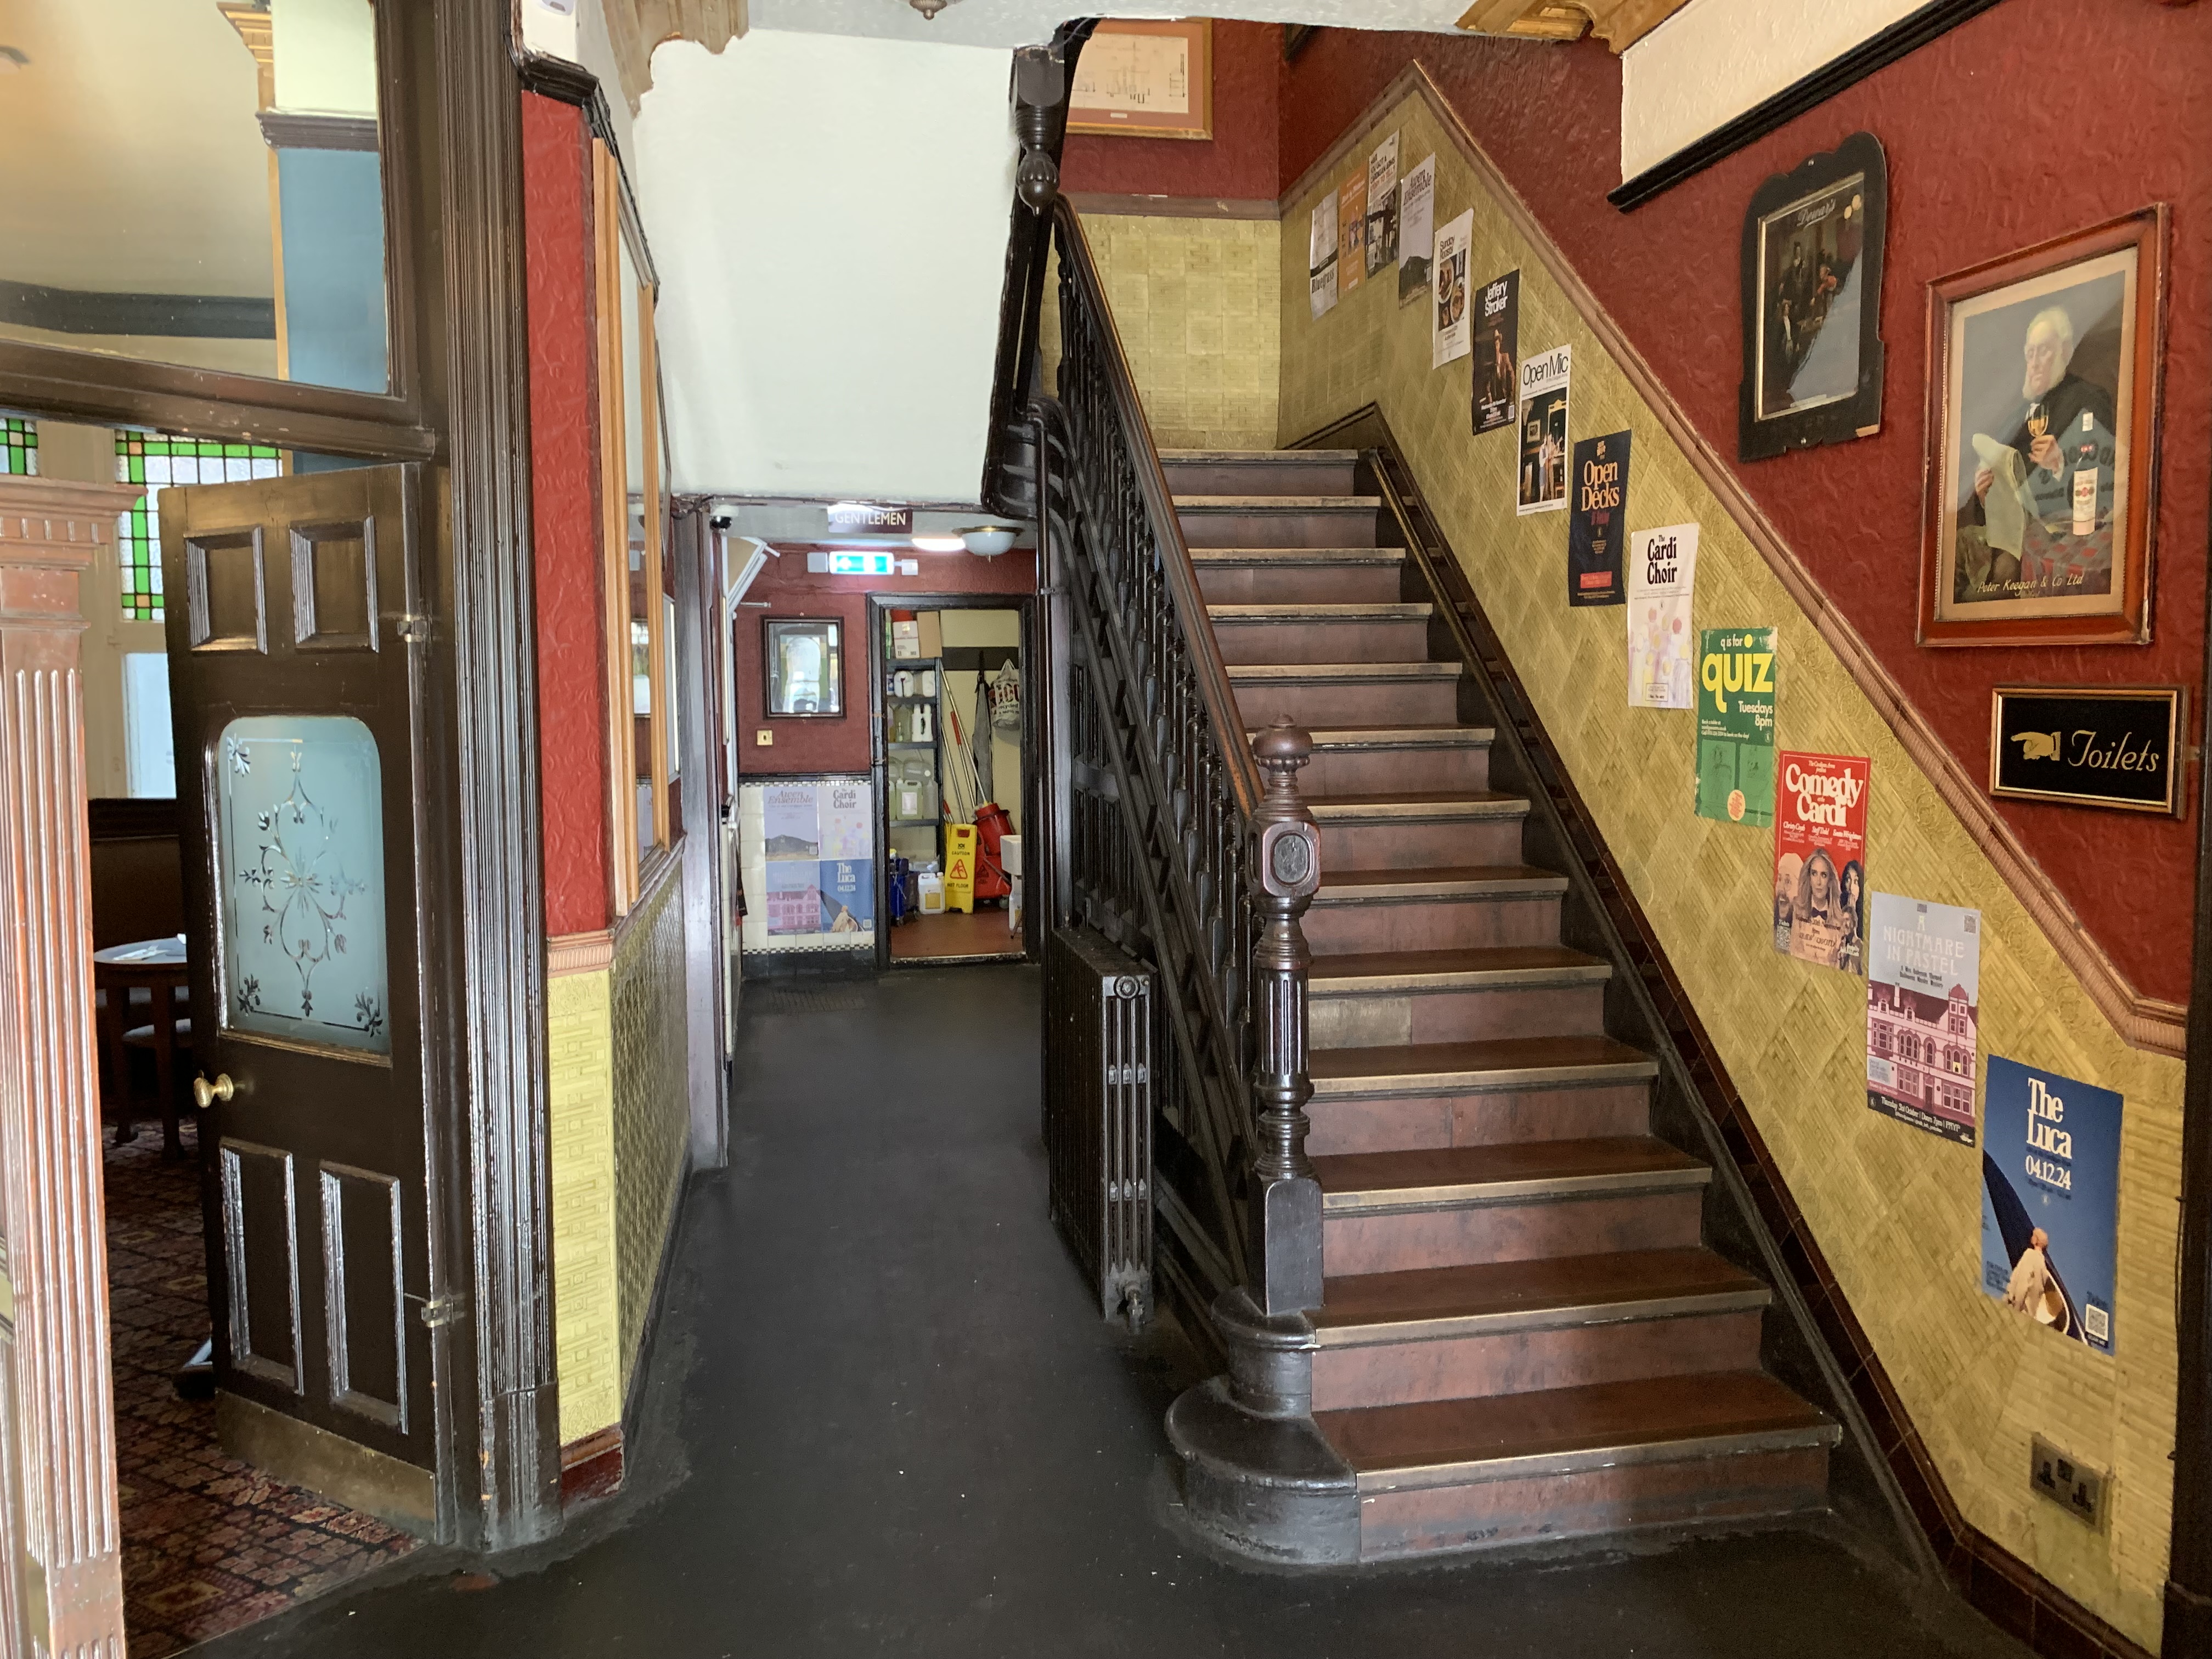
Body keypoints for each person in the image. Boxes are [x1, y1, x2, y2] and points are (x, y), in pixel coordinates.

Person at [1972, 304, 2117, 532]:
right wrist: (1986, 495)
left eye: (2044, 351)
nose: (2035, 363)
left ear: (2065, 352)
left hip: (2062, 530)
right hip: (2010, 530)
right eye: (2031, 354)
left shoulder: (2087, 399)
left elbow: (2104, 479)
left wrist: (2061, 465)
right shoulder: (2019, 413)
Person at [2006, 1227, 2055, 1318]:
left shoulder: (2030, 1255)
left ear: (2037, 1240)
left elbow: (2023, 1283)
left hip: (2018, 1309)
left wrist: (2016, 1307)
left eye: (2033, 1236)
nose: (2031, 1238)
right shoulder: (2043, 1266)